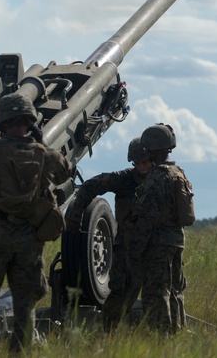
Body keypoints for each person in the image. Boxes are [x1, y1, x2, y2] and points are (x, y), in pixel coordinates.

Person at [0, 93, 71, 357]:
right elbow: (64, 174)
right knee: (25, 305)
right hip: (28, 243)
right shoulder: (45, 154)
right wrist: (40, 144)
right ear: (30, 121)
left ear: (2, 122)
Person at [65, 137, 153, 330]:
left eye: (145, 162)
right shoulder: (123, 179)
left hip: (154, 248)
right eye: (137, 163)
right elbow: (91, 186)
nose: (141, 167)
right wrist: (75, 215)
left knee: (158, 295)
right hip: (127, 248)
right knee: (118, 296)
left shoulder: (163, 179)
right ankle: (107, 335)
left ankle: (161, 337)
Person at [124, 123, 195, 333]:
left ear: (152, 149)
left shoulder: (157, 177)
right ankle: (177, 333)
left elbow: (147, 218)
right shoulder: (178, 173)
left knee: (156, 293)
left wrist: (135, 251)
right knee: (175, 290)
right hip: (176, 241)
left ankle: (161, 338)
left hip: (158, 245)